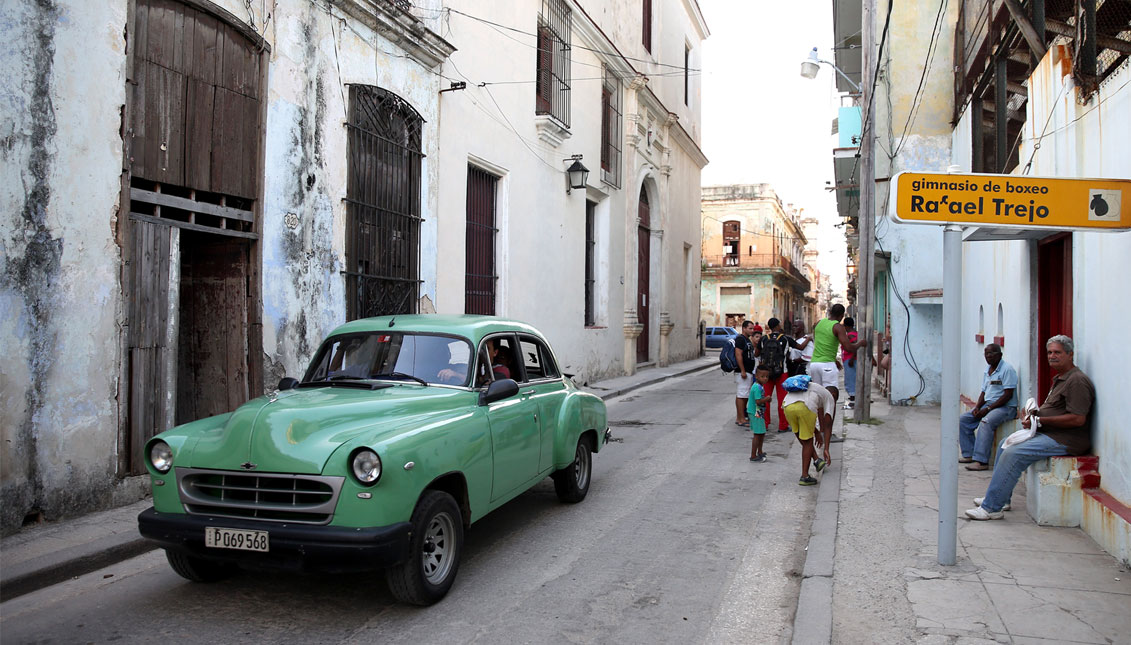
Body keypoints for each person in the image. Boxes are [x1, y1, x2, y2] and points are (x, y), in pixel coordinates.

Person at [966, 336, 1095, 520]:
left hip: (1066, 440)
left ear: (1070, 354)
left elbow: (1077, 419)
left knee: (1013, 453)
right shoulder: (1061, 378)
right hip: (1051, 433)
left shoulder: (1077, 381)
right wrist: (1032, 414)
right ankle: (1001, 500)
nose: (1052, 356)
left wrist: (1040, 421)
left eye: (1057, 352)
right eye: (1049, 352)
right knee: (1005, 443)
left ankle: (991, 508)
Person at [958, 343, 1018, 471]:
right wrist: (978, 407)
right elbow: (984, 392)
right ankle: (969, 454)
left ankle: (981, 461)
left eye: (991, 353)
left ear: (1000, 355)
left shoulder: (1007, 369)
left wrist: (988, 409)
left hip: (1006, 408)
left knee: (986, 422)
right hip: (988, 405)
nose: (988, 356)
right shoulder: (988, 370)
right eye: (986, 354)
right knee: (963, 420)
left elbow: (1008, 395)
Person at [808, 304, 867, 416]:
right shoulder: (838, 327)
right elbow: (848, 347)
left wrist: (834, 359)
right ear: (842, 315)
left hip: (814, 364)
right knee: (830, 400)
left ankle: (821, 428)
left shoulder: (819, 323)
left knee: (819, 398)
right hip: (827, 366)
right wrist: (860, 344)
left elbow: (822, 344)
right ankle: (828, 432)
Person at [754, 318, 808, 432]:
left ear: (769, 327)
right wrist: (809, 339)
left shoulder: (764, 339)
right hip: (782, 372)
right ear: (778, 326)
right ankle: (783, 425)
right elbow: (801, 347)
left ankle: (764, 423)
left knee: (765, 398)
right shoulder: (786, 338)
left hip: (766, 374)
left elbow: (756, 353)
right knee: (782, 400)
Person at [781, 375, 835, 486]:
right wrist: (827, 449)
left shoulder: (814, 387)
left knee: (804, 439)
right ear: (834, 396)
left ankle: (816, 460)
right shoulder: (830, 397)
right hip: (805, 406)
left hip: (787, 406)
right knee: (808, 442)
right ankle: (805, 476)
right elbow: (828, 424)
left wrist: (816, 432)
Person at [733, 320, 758, 426]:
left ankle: (740, 417)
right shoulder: (740, 339)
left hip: (748, 371)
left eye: (753, 329)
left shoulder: (747, 339)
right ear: (744, 328)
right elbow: (738, 355)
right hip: (743, 372)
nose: (752, 331)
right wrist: (742, 370)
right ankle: (741, 419)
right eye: (750, 328)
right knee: (741, 395)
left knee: (744, 395)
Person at [747, 365, 772, 462]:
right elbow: (758, 401)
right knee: (758, 434)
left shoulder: (759, 386)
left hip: (759, 412)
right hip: (756, 413)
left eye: (767, 376)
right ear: (756, 376)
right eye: (762, 376)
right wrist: (767, 399)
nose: (765, 378)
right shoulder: (757, 387)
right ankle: (753, 455)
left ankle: (760, 451)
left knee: (762, 432)